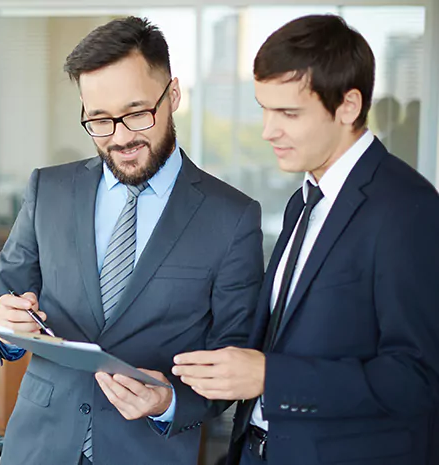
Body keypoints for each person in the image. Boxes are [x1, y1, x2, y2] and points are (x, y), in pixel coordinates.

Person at [0, 16, 264, 465]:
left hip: (150, 452)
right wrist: (8, 329)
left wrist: (168, 401)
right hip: (37, 448)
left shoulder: (232, 217)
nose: (121, 137)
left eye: (136, 113)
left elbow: (233, 360)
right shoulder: (47, 190)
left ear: (172, 95)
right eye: (99, 121)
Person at [172, 15, 439, 465]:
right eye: (264, 109)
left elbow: (418, 378)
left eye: (288, 113)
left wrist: (271, 378)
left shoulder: (407, 209)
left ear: (349, 107)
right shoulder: (305, 200)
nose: (267, 131)